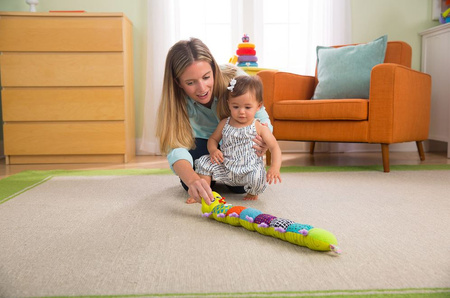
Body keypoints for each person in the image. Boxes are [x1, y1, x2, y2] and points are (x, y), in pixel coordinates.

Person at [156, 38, 272, 205]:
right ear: (178, 83)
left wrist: (263, 142)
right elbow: (176, 148)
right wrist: (193, 180)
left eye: (206, 77)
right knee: (188, 181)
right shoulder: (175, 104)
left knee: (241, 187)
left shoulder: (236, 80)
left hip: (238, 146)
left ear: (213, 68)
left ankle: (227, 178)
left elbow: (262, 120)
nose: (202, 89)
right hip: (204, 148)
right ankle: (209, 178)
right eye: (190, 82)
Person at [193, 75, 282, 202]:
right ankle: (204, 191)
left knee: (258, 176)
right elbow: (213, 139)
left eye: (247, 107)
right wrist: (213, 150)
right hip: (226, 166)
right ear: (229, 104)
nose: (241, 112)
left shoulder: (259, 127)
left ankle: (252, 192)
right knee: (203, 162)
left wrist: (275, 167)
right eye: (236, 107)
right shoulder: (224, 123)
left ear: (258, 106)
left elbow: (275, 148)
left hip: (248, 169)